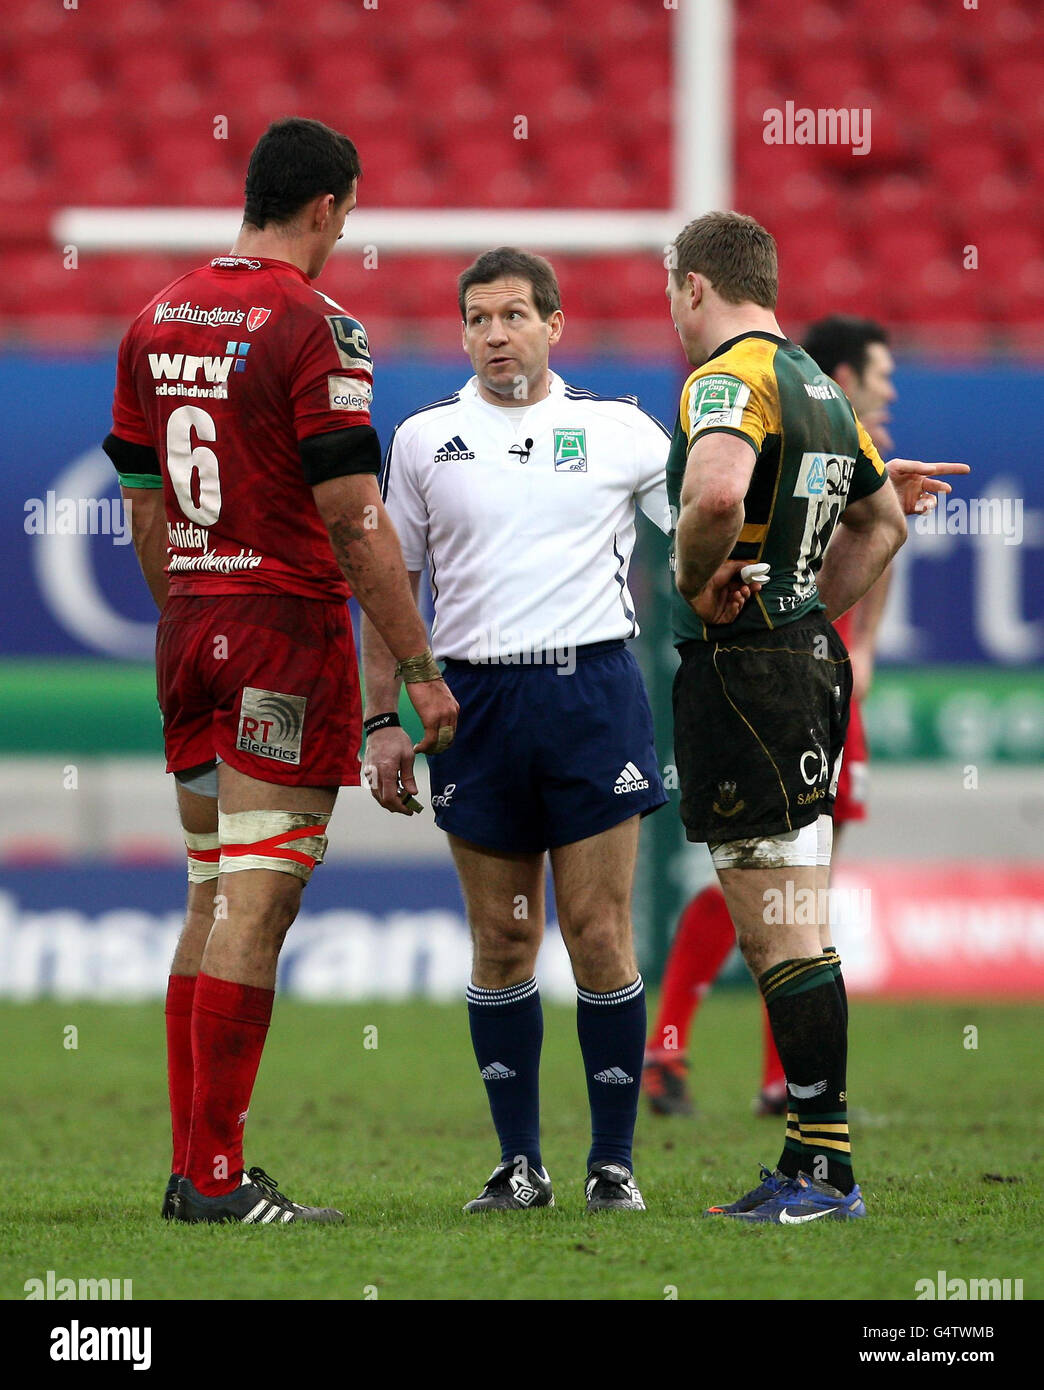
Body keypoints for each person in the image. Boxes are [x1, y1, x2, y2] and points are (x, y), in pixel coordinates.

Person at [103, 117, 457, 1225]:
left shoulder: (154, 317)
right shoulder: (317, 325)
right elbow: (356, 520)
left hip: (191, 626)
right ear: (329, 208)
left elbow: (144, 504)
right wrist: (418, 666)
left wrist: (191, 616)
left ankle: (189, 1166)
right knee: (262, 901)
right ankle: (215, 1180)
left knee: (211, 893)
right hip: (280, 635)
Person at [664, 211, 962, 1222]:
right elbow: (884, 518)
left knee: (778, 923)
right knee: (792, 921)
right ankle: (812, 1157)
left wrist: (693, 578)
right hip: (804, 669)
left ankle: (825, 1171)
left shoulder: (727, 378)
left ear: (695, 285)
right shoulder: (821, 386)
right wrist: (807, 606)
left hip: (746, 679)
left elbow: (711, 500)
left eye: (673, 288)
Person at [361, 247, 673, 1212]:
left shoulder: (620, 431)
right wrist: (382, 719)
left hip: (592, 695)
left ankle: (612, 1164)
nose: (496, 334)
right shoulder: (421, 441)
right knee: (503, 944)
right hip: (475, 706)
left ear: (554, 325)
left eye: (513, 316)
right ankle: (519, 1163)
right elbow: (385, 591)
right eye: (479, 319)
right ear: (462, 334)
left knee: (598, 932)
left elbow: (710, 526)